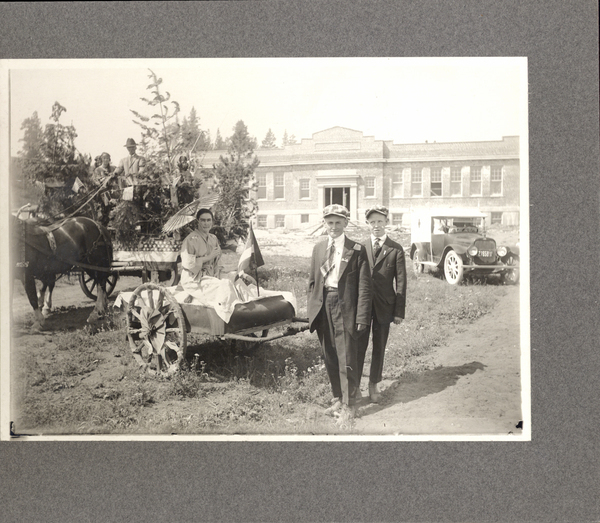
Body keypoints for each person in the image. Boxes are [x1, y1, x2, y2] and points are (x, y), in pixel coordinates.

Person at [307, 204, 372, 424]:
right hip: (323, 304)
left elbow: (364, 288)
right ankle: (337, 397)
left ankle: (348, 406)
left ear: (345, 223)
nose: (333, 227)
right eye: (329, 223)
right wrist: (312, 309)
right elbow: (313, 282)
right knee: (330, 354)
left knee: (346, 356)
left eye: (337, 222)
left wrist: (362, 316)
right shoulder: (318, 248)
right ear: (324, 224)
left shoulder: (356, 249)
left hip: (345, 307)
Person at [357, 205, 407, 403]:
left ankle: (373, 385)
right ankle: (355, 386)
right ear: (368, 224)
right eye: (372, 222)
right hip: (363, 307)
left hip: (385, 307)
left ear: (386, 222)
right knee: (359, 345)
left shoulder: (396, 249)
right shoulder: (360, 247)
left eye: (380, 221)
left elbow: (401, 282)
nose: (376, 226)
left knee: (379, 346)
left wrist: (399, 312)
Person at [180, 208, 222, 286]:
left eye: (208, 220)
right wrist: (208, 257)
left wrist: (216, 275)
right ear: (198, 222)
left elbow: (217, 261)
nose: (206, 223)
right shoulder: (190, 239)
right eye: (203, 220)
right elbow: (188, 263)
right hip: (194, 279)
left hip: (211, 277)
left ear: (212, 222)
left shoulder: (213, 238)